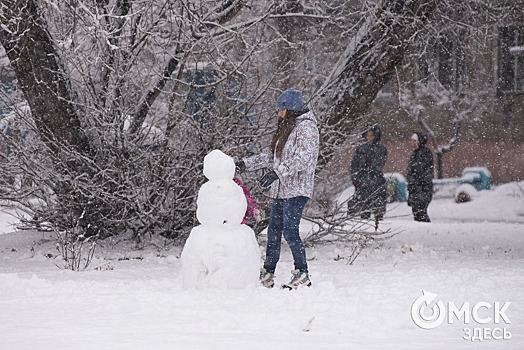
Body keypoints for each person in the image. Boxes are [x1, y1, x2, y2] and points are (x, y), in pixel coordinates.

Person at [235, 88, 319, 289]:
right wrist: (245, 164)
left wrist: (278, 173)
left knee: (290, 231)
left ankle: (302, 272)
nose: (278, 113)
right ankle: (268, 272)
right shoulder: (287, 128)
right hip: (280, 190)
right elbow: (270, 157)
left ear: (290, 108)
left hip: (297, 189)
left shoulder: (307, 129)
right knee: (273, 231)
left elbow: (303, 158)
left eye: (281, 109)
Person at [348, 123, 388, 221]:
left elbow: (378, 164)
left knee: (378, 208)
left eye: (371, 135)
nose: (369, 138)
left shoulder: (381, 149)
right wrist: (355, 178)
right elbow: (354, 165)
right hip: (362, 182)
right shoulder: (361, 149)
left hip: (375, 182)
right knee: (363, 209)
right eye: (367, 135)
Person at [406, 132, 434, 222]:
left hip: (422, 188)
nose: (412, 143)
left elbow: (422, 171)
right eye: (411, 141)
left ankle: (425, 229)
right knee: (416, 212)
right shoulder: (414, 155)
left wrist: (416, 182)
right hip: (415, 189)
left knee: (421, 212)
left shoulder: (425, 153)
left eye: (414, 141)